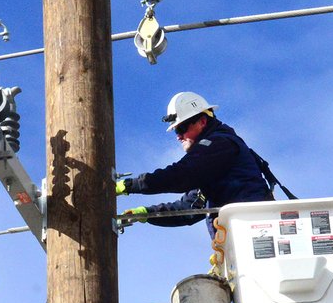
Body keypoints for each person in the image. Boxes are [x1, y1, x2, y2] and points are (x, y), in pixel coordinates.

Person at [116, 91, 280, 238]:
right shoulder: (210, 162)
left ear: (202, 121)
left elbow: (182, 175)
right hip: (243, 236)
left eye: (181, 128)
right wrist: (146, 213)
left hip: (256, 230)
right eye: (176, 131)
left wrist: (131, 185)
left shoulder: (220, 144)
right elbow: (190, 208)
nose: (178, 137)